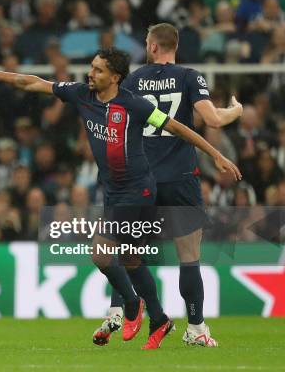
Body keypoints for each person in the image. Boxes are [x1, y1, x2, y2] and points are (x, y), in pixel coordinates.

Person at [0, 47, 241, 350]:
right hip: (112, 189)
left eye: (98, 70)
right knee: (130, 257)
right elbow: (31, 82)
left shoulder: (133, 104)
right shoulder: (81, 94)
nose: (90, 73)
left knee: (100, 252)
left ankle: (133, 306)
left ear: (115, 77)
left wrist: (215, 154)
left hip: (138, 189)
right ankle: (159, 318)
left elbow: (177, 127)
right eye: (91, 67)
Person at [94, 23, 243, 348]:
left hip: (140, 179)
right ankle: (196, 327)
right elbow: (213, 120)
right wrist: (236, 110)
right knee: (189, 256)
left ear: (152, 46)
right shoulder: (190, 77)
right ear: (173, 46)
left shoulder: (131, 80)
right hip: (180, 178)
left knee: (126, 248)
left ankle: (118, 309)